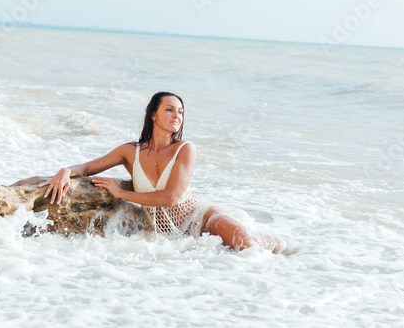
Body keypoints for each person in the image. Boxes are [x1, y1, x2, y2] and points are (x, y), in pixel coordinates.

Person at [40, 91, 294, 254]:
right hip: (167, 233)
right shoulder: (131, 152)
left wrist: (121, 192)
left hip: (202, 218)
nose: (177, 115)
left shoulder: (185, 148)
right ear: (153, 114)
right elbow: (86, 168)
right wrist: (65, 171)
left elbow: (171, 197)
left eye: (180, 112)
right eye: (170, 109)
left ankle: (282, 244)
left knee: (248, 248)